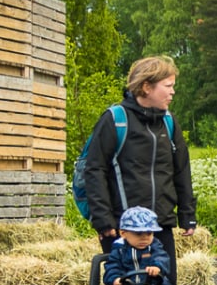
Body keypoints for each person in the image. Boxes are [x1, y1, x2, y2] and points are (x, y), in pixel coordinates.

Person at [80, 55, 199, 261]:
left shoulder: (169, 123)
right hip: (121, 228)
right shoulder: (115, 120)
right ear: (146, 87)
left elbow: (181, 170)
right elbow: (94, 170)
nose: (173, 91)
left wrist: (187, 215)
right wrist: (103, 220)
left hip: (159, 227)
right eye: (168, 85)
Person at [101, 206, 175, 285]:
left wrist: (157, 267)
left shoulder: (155, 247)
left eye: (149, 233)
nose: (145, 238)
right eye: (139, 234)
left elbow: (162, 258)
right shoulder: (119, 250)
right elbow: (112, 267)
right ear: (123, 233)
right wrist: (115, 280)